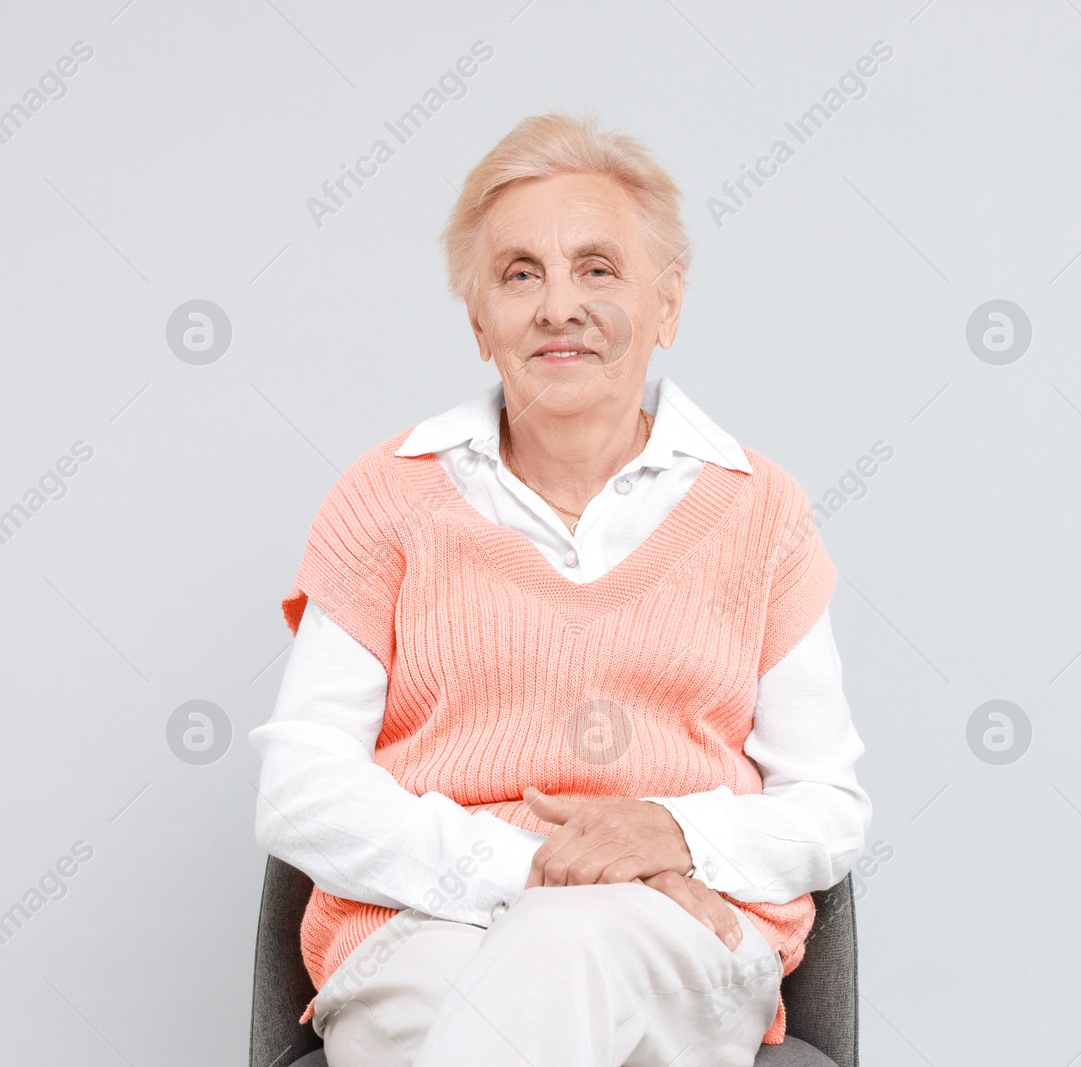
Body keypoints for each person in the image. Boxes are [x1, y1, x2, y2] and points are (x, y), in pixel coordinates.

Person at [250, 112, 871, 1067]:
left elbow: (827, 805)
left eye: (598, 268)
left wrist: (670, 828)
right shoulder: (387, 497)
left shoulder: (763, 512)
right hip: (424, 931)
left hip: (680, 938)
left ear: (667, 305)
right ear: (478, 319)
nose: (558, 306)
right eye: (520, 273)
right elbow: (301, 791)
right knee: (542, 952)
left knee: (573, 941)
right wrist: (531, 867)